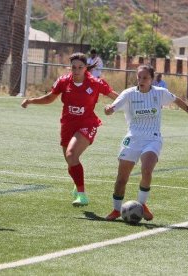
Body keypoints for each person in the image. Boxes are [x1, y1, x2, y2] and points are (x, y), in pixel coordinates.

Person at [104, 64, 188, 221]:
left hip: (153, 138)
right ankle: (116, 210)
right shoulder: (128, 94)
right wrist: (108, 109)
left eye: (145, 77)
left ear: (152, 79)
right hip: (133, 138)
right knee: (122, 178)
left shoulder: (160, 93)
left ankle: (142, 204)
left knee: (147, 170)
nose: (141, 80)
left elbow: (179, 102)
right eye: (139, 77)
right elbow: (112, 107)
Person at [21, 52, 118, 206]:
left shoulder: (95, 82)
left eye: (80, 67)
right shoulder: (64, 81)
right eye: (74, 67)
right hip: (68, 124)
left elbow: (116, 97)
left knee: (71, 155)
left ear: (86, 68)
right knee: (70, 162)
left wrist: (132, 104)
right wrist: (31, 101)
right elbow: (50, 98)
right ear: (70, 67)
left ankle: (82, 195)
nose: (77, 70)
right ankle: (77, 186)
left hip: (87, 124)